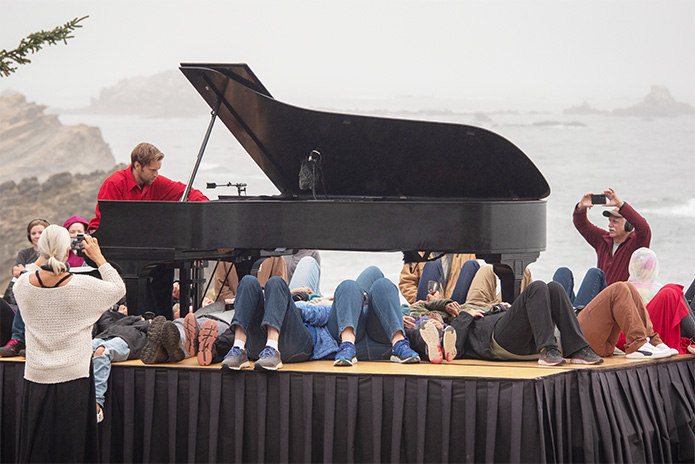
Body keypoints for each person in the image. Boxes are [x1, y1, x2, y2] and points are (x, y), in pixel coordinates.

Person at [13, 225, 125, 462]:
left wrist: (45, 254)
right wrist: (98, 257)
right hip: (74, 376)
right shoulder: (81, 286)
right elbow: (118, 288)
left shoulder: (22, 286)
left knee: (37, 447)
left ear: (40, 249)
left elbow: (31, 271)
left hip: (36, 375)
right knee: (71, 449)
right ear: (67, 250)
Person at [88, 142, 208, 318]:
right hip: (109, 243)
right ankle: (143, 321)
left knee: (165, 267)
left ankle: (163, 320)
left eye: (158, 170)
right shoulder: (114, 183)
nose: (156, 174)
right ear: (137, 166)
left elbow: (187, 192)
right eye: (152, 170)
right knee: (142, 271)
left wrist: (210, 208)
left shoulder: (155, 182)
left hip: (139, 246)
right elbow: (109, 224)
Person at [220, 266, 420, 370]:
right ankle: (238, 348)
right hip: (268, 344)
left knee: (276, 284)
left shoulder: (353, 303)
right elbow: (318, 312)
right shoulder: (322, 302)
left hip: (299, 340)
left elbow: (320, 313)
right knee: (249, 282)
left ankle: (399, 344)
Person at [407, 264, 602, 366]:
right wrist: (465, 316)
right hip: (493, 341)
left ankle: (578, 348)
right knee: (537, 288)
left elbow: (431, 307)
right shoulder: (442, 328)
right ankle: (547, 349)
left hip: (508, 332)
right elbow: (456, 347)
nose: (434, 319)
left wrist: (496, 308)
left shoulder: (442, 311)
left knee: (554, 287)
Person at [553, 188, 651, 307]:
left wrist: (620, 204)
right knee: (563, 272)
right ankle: (558, 316)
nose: (610, 225)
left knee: (595, 273)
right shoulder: (603, 239)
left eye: (615, 222)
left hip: (613, 305)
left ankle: (579, 318)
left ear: (628, 226)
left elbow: (643, 228)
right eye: (609, 221)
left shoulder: (636, 246)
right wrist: (581, 207)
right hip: (595, 303)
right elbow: (582, 224)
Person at [576, 281, 677, 359]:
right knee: (619, 288)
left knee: (628, 286)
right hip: (579, 340)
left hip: (602, 346)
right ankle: (637, 344)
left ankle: (651, 340)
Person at [625, 247, 695, 354]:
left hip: (672, 324)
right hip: (661, 332)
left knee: (674, 291)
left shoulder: (626, 288)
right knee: (673, 290)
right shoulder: (656, 288)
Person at [0, 218, 49, 357]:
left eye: (41, 232)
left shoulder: (54, 252)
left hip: (43, 292)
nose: (37, 236)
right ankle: (17, 340)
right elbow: (15, 271)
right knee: (25, 295)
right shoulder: (24, 253)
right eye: (33, 233)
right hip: (22, 292)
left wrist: (25, 271)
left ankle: (26, 342)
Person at [91, 307, 149, 423]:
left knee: (102, 352)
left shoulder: (143, 327)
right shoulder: (123, 319)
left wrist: (146, 322)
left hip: (129, 339)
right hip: (107, 335)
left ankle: (97, 405)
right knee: (81, 352)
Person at [399, 252, 478, 305]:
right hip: (428, 303)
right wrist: (420, 301)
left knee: (471, 264)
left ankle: (455, 314)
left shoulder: (466, 251)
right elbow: (406, 282)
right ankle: (426, 314)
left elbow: (474, 285)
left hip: (457, 305)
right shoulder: (417, 252)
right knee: (433, 264)